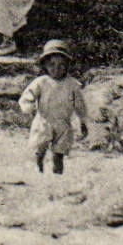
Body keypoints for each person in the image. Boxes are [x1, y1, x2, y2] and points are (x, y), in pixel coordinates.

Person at [19, 40, 89, 175]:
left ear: (67, 66)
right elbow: (27, 97)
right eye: (52, 64)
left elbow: (80, 104)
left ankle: (58, 175)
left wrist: (83, 121)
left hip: (63, 123)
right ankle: (38, 170)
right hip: (44, 121)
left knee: (59, 152)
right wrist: (29, 108)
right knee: (40, 149)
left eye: (61, 65)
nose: (56, 69)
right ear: (45, 65)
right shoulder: (41, 82)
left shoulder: (72, 84)